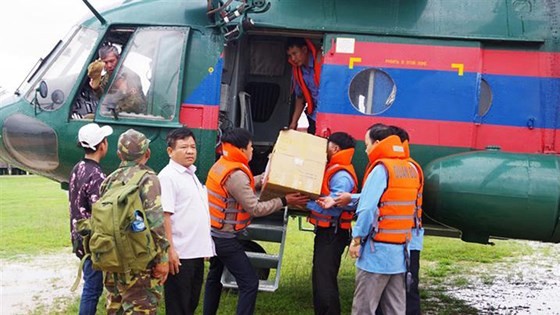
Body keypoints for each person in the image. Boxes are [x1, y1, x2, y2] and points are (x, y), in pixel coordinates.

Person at [203, 127, 309, 315]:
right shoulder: (235, 174)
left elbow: (243, 184)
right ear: (242, 149)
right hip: (225, 239)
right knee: (250, 283)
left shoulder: (223, 163)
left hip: (215, 234)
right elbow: (255, 208)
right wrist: (285, 201)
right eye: (251, 147)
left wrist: (261, 179)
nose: (253, 150)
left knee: (214, 276)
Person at [349, 123, 421, 314]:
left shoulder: (381, 170)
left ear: (378, 143)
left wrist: (356, 239)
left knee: (364, 309)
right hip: (399, 255)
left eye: (367, 144)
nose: (366, 149)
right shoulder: (411, 169)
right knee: (395, 309)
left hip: (376, 255)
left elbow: (366, 209)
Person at [100, 128, 169, 315]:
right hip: (139, 261)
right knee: (141, 308)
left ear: (118, 154)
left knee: (115, 307)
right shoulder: (148, 179)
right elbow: (155, 221)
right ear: (147, 153)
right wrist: (162, 258)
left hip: (112, 256)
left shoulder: (109, 180)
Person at [158, 127, 215, 315]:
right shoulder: (168, 177)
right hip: (180, 256)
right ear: (170, 151)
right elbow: (165, 215)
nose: (190, 151)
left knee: (190, 304)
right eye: (184, 147)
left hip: (195, 253)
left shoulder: (191, 174)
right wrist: (170, 250)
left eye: (192, 147)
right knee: (178, 307)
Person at [306, 132, 358, 315]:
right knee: (321, 279)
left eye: (327, 145)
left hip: (332, 234)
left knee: (325, 281)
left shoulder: (342, 175)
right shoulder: (335, 168)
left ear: (335, 148)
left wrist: (304, 203)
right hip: (327, 232)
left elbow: (335, 207)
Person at [69, 123, 113, 315]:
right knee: (92, 288)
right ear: (102, 145)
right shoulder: (97, 175)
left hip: (79, 235)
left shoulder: (77, 168)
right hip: (92, 241)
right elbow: (101, 212)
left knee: (90, 283)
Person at [87, 45, 146, 114]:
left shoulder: (129, 76)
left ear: (119, 59)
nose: (109, 65)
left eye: (112, 61)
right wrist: (97, 89)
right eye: (105, 62)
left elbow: (137, 104)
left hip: (129, 117)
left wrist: (124, 91)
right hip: (114, 114)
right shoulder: (108, 76)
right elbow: (106, 99)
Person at [286, 37, 322, 134]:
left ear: (304, 50)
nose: (293, 59)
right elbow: (300, 97)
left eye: (295, 53)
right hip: (314, 117)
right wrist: (294, 122)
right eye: (290, 55)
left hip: (330, 116)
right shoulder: (298, 72)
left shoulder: (321, 62)